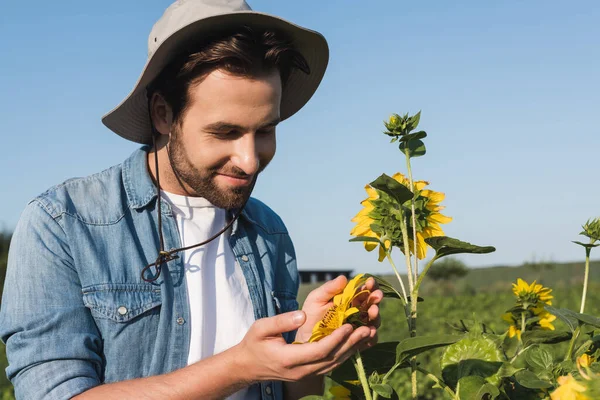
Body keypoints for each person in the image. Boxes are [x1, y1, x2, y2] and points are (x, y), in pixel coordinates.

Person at [0, 1, 382, 399]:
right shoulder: (63, 224)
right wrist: (239, 367)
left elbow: (288, 392)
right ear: (163, 114)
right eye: (225, 132)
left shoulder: (268, 231)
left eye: (265, 131)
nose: (250, 161)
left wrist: (308, 349)